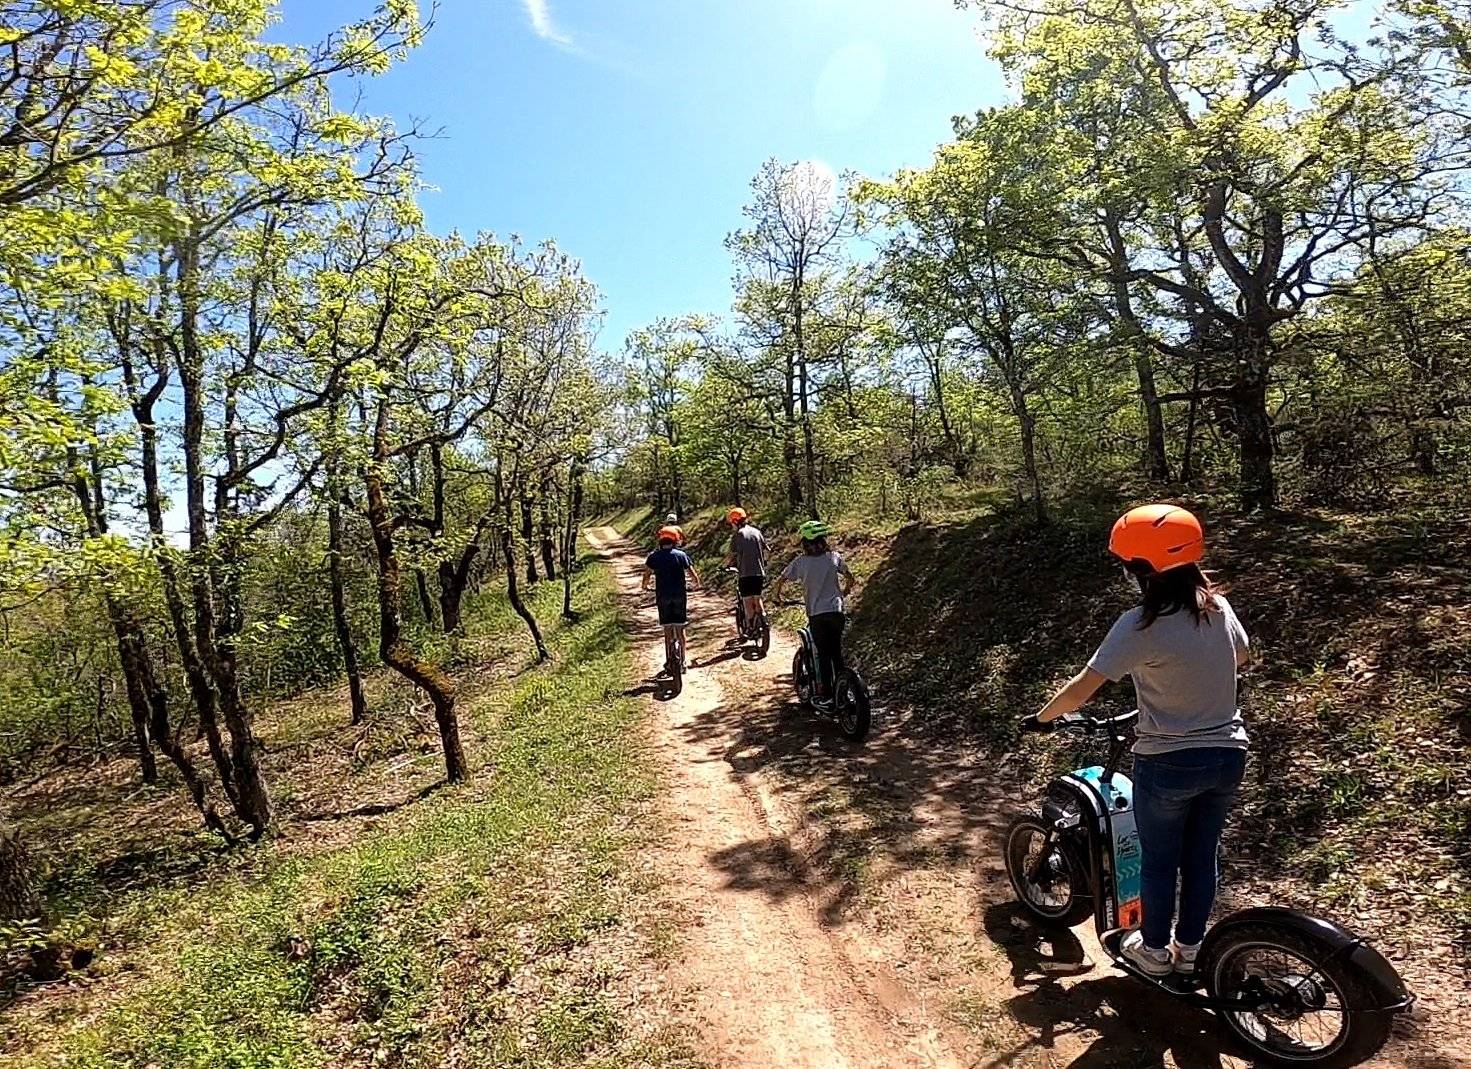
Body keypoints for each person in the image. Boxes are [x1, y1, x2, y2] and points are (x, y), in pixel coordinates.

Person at [1031, 504, 1250, 978]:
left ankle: (1153, 951)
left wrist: (1043, 718)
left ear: (1141, 569)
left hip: (1169, 761)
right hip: (1229, 754)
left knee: (1157, 861)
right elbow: (1242, 656)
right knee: (1201, 856)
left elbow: (1084, 687)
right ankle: (1190, 948)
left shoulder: (1140, 625)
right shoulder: (1216, 605)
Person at [771, 520, 854, 707]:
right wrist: (844, 593)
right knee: (836, 653)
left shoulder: (800, 562)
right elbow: (850, 579)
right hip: (837, 612)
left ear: (805, 544)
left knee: (823, 654)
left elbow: (780, 581)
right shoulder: (834, 557)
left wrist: (778, 598)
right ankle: (843, 689)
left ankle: (826, 696)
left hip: (817, 614)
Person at [641, 525, 701, 675]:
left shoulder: (654, 557)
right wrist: (696, 585)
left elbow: (647, 575)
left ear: (660, 540)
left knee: (668, 630)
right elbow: (693, 575)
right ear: (675, 540)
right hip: (680, 596)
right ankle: (683, 661)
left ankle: (669, 661)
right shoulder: (681, 555)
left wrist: (645, 587)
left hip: (663, 596)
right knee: (680, 630)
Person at [723, 507, 767, 635]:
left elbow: (732, 555)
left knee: (747, 600)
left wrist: (726, 565)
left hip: (745, 574)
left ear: (735, 521)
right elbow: (765, 550)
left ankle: (750, 627)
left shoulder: (738, 535)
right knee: (757, 597)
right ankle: (763, 618)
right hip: (759, 572)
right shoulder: (757, 532)